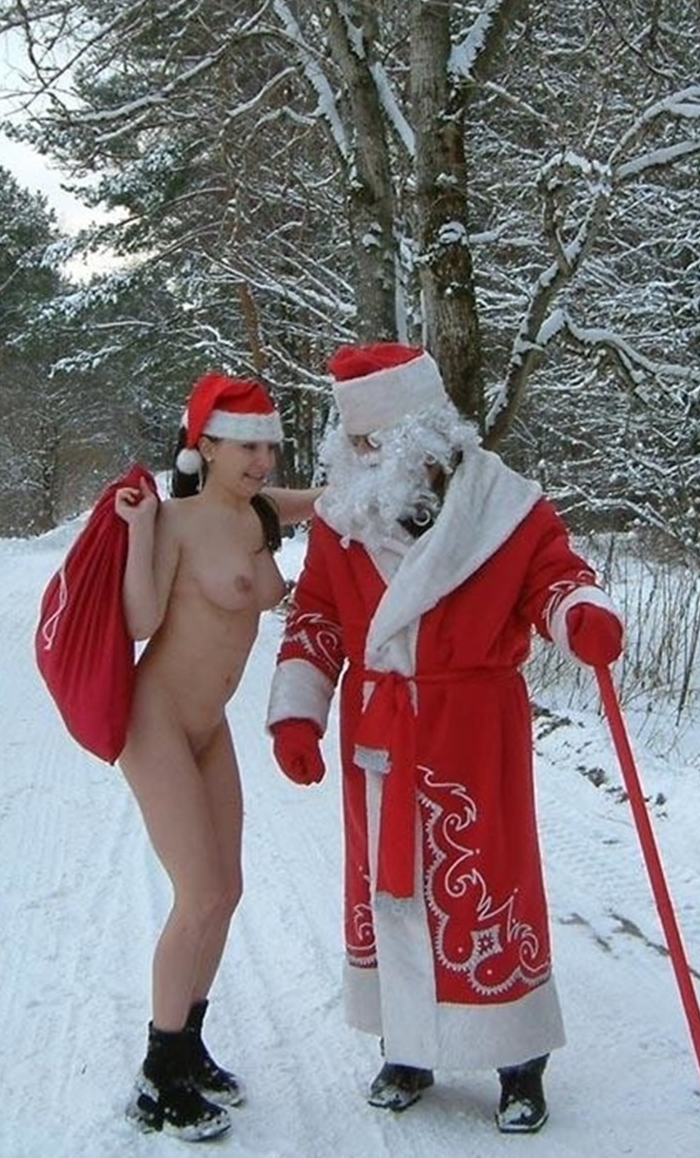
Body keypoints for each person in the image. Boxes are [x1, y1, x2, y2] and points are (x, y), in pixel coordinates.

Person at [264, 342, 625, 1135]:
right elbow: (316, 616)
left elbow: (555, 577)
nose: (362, 455)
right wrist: (298, 711)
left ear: (420, 434)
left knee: (489, 879)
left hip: (472, 730)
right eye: (353, 442)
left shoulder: (507, 508)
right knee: (388, 886)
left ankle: (519, 1058)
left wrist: (579, 616)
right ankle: (408, 1047)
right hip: (380, 732)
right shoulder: (341, 519)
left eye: (374, 441)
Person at [113, 372, 319, 1142]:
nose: (262, 461)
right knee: (197, 893)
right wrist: (141, 531)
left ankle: (188, 1046)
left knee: (226, 891)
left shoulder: (259, 513)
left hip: (210, 724)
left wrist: (393, 458)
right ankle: (156, 1076)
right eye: (245, 447)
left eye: (268, 447)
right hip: (157, 721)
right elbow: (139, 622)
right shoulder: (175, 520)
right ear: (204, 446)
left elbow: (327, 500)